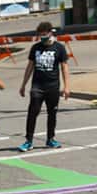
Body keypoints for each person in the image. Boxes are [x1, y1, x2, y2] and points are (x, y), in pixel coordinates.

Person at [18, 22, 69, 152]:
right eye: (40, 35)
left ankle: (50, 139)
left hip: (52, 86)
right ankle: (28, 141)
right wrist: (23, 84)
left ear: (50, 33)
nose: (42, 37)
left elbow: (64, 67)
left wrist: (66, 86)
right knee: (32, 113)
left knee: (52, 113)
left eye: (44, 34)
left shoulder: (59, 48)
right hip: (37, 86)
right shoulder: (35, 48)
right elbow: (30, 67)